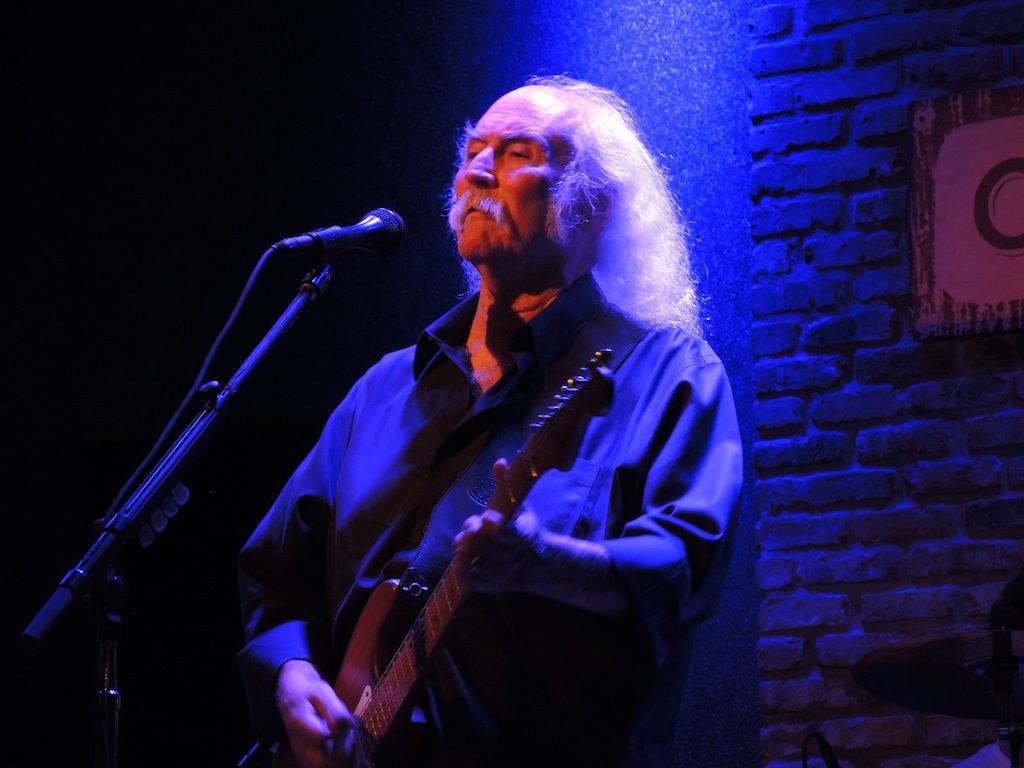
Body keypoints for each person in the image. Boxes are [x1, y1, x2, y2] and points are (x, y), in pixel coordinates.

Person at [238, 76, 743, 768]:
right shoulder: (384, 389)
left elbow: (683, 566)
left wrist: (549, 564)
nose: (476, 168)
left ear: (591, 204)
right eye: (473, 149)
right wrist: (289, 677)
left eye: (515, 153)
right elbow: (275, 571)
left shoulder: (664, 373)